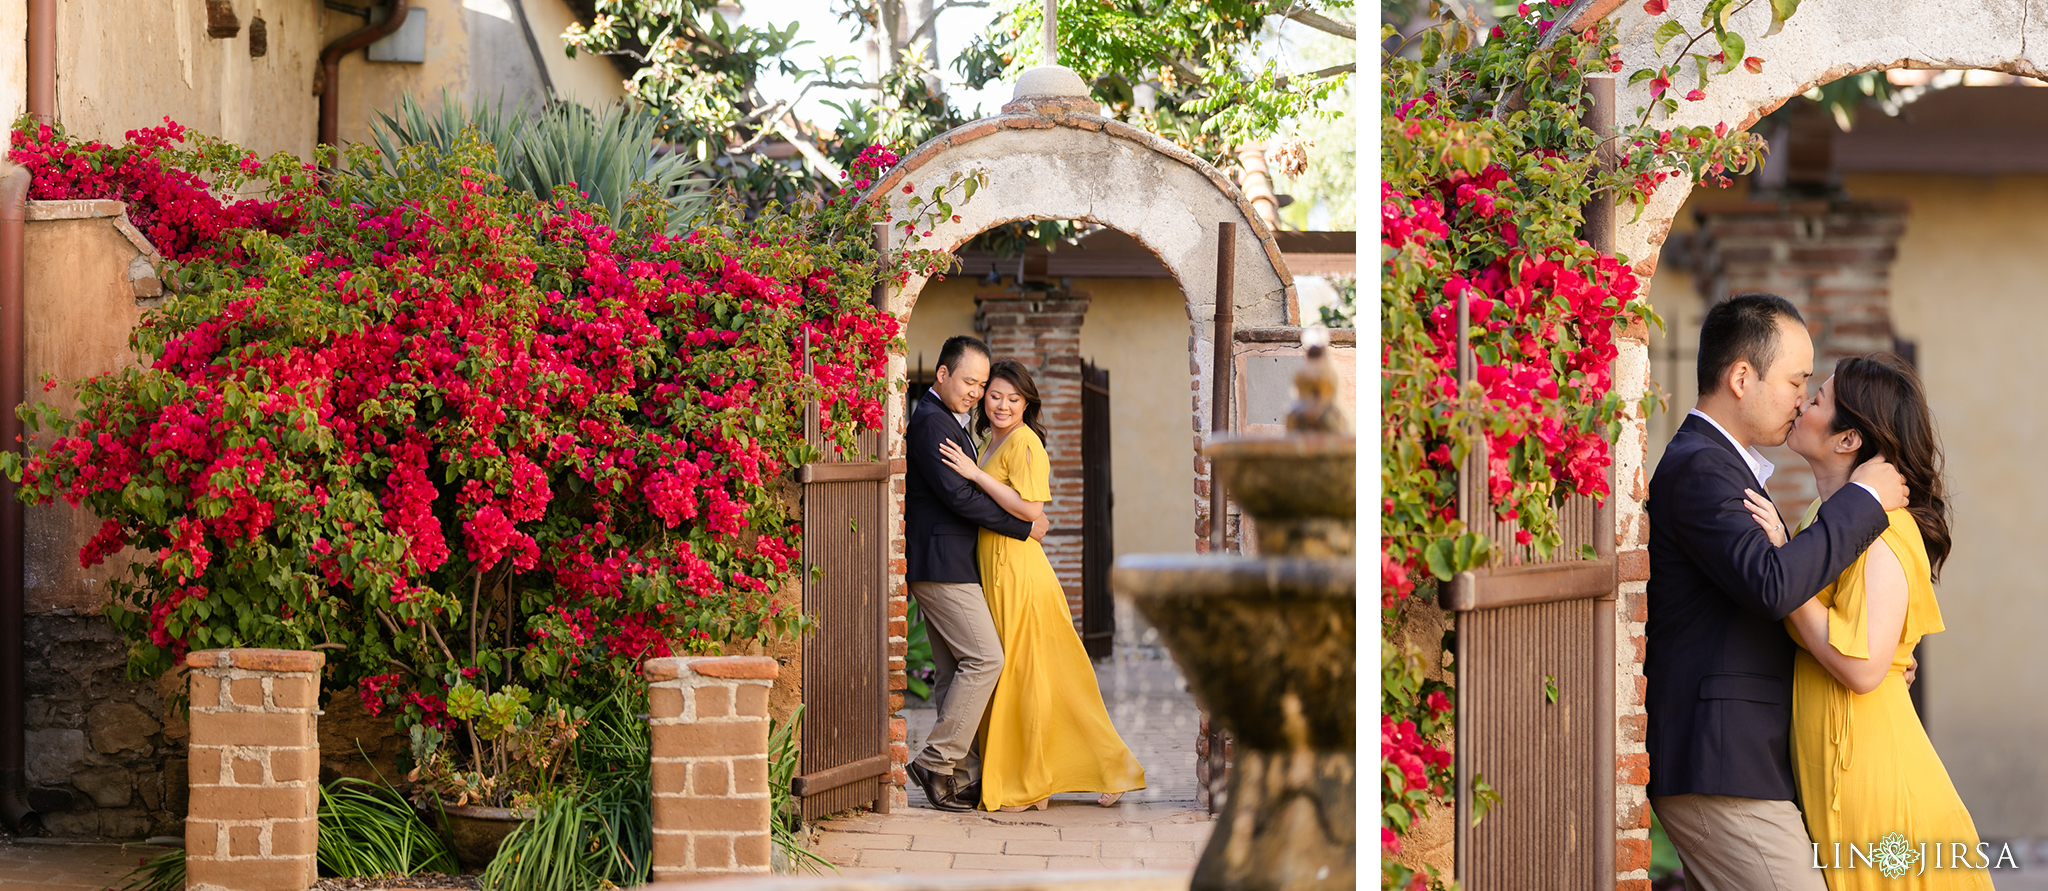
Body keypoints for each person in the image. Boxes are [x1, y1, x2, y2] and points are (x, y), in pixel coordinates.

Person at [1644, 293, 1909, 891]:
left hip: (1743, 763)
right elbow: (1771, 586)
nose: (1801, 396)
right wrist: (1864, 500)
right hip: (1721, 765)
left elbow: (1766, 599)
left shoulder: (1722, 467)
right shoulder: (1699, 467)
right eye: (1795, 380)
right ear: (1742, 377)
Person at [1740, 353, 1991, 890]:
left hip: (1877, 787)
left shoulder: (1886, 532)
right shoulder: (1819, 520)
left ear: (1847, 440)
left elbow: (1862, 669)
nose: (1802, 402)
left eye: (1819, 399)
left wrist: (1783, 569)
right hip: (1835, 771)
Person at [936, 359, 1146, 811]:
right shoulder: (993, 441)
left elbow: (1032, 510)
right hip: (996, 568)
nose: (1003, 405)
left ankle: (1111, 769)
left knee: (1047, 677)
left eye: (1014, 399)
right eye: (995, 395)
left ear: (1027, 403)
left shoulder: (1026, 442)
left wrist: (973, 475)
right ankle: (1026, 772)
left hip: (1020, 573)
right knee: (1017, 676)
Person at [903, 336, 1049, 812]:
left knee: (951, 674)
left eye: (981, 385)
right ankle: (935, 760)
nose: (976, 392)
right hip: (943, 565)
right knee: (986, 660)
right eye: (970, 382)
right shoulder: (931, 424)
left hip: (949, 562)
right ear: (942, 374)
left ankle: (959, 778)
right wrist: (1024, 527)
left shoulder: (952, 421)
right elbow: (959, 498)